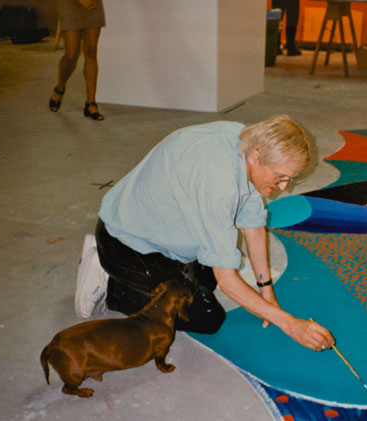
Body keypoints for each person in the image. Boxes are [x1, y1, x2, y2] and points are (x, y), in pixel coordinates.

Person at [79, 115, 335, 352]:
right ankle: (113, 285)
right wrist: (289, 324)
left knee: (205, 282)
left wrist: (267, 294)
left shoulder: (246, 142)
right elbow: (227, 280)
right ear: (257, 156)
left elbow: (253, 228)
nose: (283, 187)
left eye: (290, 179)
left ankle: (132, 274)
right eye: (279, 177)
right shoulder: (219, 185)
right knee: (207, 317)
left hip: (158, 228)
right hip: (127, 244)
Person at [49, 0, 105, 121]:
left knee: (91, 50)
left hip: (93, 4)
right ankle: (60, 86)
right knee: (71, 55)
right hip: (70, 4)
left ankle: (91, 103)